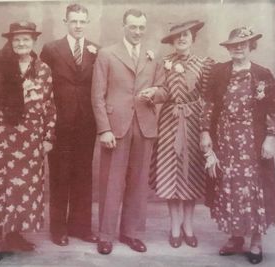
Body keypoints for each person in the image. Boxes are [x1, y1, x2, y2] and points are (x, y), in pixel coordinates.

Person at [0, 21, 56, 264]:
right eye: (16, 39)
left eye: (26, 39)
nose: (21, 43)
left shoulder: (43, 70)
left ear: (33, 41)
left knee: (23, 189)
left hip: (30, 140)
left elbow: (49, 104)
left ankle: (15, 235)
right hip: (0, 138)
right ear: (10, 42)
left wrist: (48, 136)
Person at [200, 26, 275, 264]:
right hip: (225, 140)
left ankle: (256, 240)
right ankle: (236, 237)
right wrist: (205, 132)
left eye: (243, 44)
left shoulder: (262, 74)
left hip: (252, 142)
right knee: (230, 186)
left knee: (253, 189)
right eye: (234, 44)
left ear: (251, 46)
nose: (238, 48)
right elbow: (208, 104)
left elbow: (272, 109)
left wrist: (270, 138)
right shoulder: (218, 72)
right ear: (228, 48)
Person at [91, 8, 163, 255]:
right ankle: (105, 235)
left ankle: (131, 233)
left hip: (144, 127)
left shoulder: (153, 56)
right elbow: (97, 96)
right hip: (116, 127)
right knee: (111, 183)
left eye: (142, 27)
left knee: (138, 183)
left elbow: (163, 89)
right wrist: (104, 129)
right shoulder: (107, 54)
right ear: (124, 27)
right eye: (133, 27)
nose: (138, 32)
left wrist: (155, 93)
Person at [139, 20, 214, 248]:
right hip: (170, 123)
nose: (182, 39)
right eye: (177, 36)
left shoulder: (204, 64)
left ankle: (188, 226)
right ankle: (174, 226)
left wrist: (206, 129)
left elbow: (209, 97)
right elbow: (163, 91)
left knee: (190, 174)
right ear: (172, 41)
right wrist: (154, 92)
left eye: (186, 35)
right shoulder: (165, 63)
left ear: (193, 38)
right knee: (171, 174)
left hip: (194, 123)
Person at [40, 3, 99, 246]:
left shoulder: (96, 50)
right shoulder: (52, 49)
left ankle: (81, 227)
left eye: (82, 21)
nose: (78, 25)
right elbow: (42, 84)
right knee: (60, 176)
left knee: (84, 175)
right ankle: (58, 229)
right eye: (73, 21)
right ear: (66, 22)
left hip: (87, 123)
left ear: (87, 23)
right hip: (60, 123)